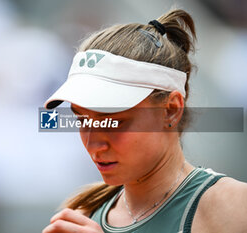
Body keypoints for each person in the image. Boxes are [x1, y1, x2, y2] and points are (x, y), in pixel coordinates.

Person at [42, 9, 247, 233]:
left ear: (170, 109)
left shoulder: (235, 206)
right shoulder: (80, 216)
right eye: (81, 119)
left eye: (113, 120)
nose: (94, 144)